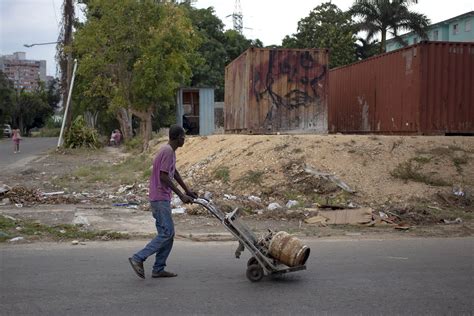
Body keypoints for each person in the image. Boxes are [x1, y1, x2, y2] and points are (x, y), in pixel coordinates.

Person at [128, 125, 197, 279]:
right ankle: (138, 258)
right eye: (183, 137)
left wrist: (187, 190)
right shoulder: (167, 151)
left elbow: (174, 172)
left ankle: (158, 268)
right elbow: (164, 176)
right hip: (159, 198)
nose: (184, 139)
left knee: (167, 234)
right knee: (167, 233)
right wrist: (180, 195)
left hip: (160, 197)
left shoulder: (170, 152)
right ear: (178, 137)